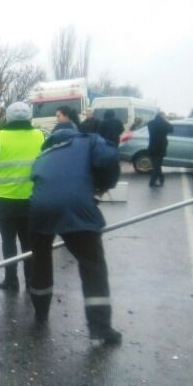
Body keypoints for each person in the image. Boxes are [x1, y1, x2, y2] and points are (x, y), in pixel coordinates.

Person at [27, 126, 122, 345]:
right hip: (75, 207)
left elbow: (39, 179)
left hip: (39, 209)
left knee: (40, 262)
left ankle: (40, 315)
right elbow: (109, 158)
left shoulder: (45, 154)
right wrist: (102, 186)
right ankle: (100, 327)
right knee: (92, 265)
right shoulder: (89, 140)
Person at [0, 101, 45, 292]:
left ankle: (11, 281)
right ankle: (31, 281)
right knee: (29, 243)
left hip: (3, 200)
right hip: (32, 199)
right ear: (29, 117)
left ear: (7, 117)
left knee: (8, 242)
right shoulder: (41, 136)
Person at [146, 111, 173, 188]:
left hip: (152, 146)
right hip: (161, 147)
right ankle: (152, 182)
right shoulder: (165, 124)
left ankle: (161, 179)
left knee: (156, 165)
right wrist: (167, 121)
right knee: (157, 165)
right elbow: (171, 130)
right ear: (162, 116)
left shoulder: (150, 123)